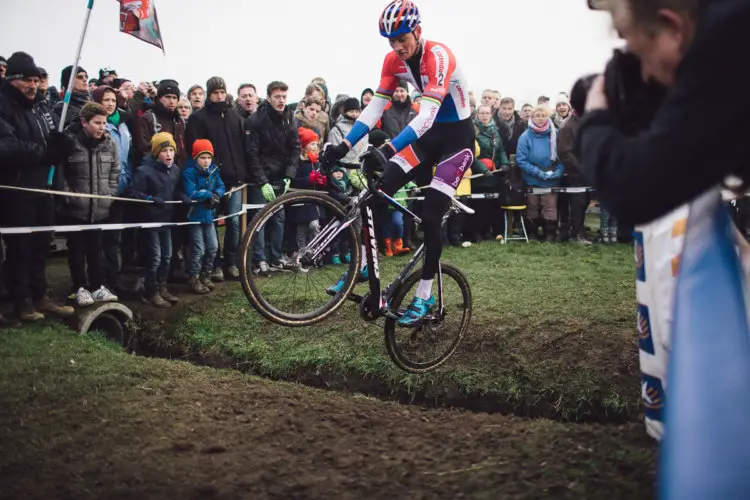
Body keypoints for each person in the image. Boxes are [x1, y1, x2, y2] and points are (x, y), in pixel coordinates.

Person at [322, 0, 474, 326]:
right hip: (427, 138)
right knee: (377, 191)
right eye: (392, 41)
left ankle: (424, 294)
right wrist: (345, 144)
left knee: (431, 214)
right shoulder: (392, 61)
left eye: (403, 39)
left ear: (418, 32)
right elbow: (375, 107)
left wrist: (389, 148)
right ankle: (363, 266)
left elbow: (428, 114)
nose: (397, 47)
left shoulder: (439, 57)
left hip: (456, 142)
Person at [579, 0, 750, 226]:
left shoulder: (726, 35)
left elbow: (634, 192)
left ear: (672, 28)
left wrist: (595, 116)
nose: (647, 74)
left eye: (643, 56)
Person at [0, 52, 76, 322]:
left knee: (41, 245)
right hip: (16, 190)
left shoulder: (39, 106)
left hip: (44, 187)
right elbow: (7, 147)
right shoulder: (4, 106)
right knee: (20, 247)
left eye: (36, 80)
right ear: (12, 80)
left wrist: (63, 143)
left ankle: (39, 294)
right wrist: (45, 153)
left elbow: (51, 136)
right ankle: (22, 300)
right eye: (26, 81)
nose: (33, 85)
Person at [184, 76, 247, 281]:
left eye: (222, 92)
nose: (219, 96)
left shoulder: (234, 115)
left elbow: (241, 146)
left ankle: (230, 262)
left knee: (234, 221)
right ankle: (215, 265)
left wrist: (242, 172)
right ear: (209, 94)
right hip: (209, 179)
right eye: (215, 93)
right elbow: (192, 149)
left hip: (235, 179)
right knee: (211, 221)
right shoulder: (198, 118)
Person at [58, 102, 120, 306]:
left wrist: (109, 194)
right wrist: (69, 196)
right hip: (76, 209)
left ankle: (97, 286)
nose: (102, 127)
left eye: (104, 122)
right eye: (97, 122)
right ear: (84, 122)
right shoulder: (69, 142)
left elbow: (115, 171)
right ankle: (79, 288)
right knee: (76, 249)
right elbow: (61, 173)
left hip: (100, 207)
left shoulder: (109, 143)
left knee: (96, 249)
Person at [126, 132, 188, 308]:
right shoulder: (144, 171)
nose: (168, 155)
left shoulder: (175, 171)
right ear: (155, 153)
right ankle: (150, 291)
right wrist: (149, 199)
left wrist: (182, 196)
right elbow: (132, 192)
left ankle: (162, 286)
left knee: (167, 256)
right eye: (164, 151)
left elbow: (174, 190)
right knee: (155, 257)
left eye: (171, 150)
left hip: (166, 220)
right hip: (150, 220)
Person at [245, 81, 300, 276]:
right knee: (260, 220)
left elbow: (295, 148)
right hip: (260, 178)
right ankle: (259, 260)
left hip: (280, 177)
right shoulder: (255, 120)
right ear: (268, 97)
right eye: (277, 97)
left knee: (278, 219)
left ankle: (276, 257)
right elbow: (252, 153)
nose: (281, 101)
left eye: (284, 97)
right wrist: (262, 181)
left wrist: (288, 176)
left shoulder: (290, 118)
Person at [183, 139, 226, 294]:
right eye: (203, 157)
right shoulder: (189, 173)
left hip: (209, 215)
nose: (206, 161)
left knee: (213, 247)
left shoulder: (214, 170)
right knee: (199, 249)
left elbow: (221, 186)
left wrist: (216, 194)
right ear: (196, 158)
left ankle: (206, 274)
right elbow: (191, 192)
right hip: (195, 216)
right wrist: (209, 194)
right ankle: (194, 277)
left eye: (208, 157)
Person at [516, 105, 564, 242]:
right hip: (532, 178)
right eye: (537, 115)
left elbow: (563, 155)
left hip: (552, 178)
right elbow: (521, 160)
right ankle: (532, 234)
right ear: (532, 117)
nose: (541, 118)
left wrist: (559, 171)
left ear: (548, 117)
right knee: (533, 206)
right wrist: (537, 173)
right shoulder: (525, 137)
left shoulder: (556, 133)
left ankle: (550, 235)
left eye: (543, 115)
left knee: (550, 206)